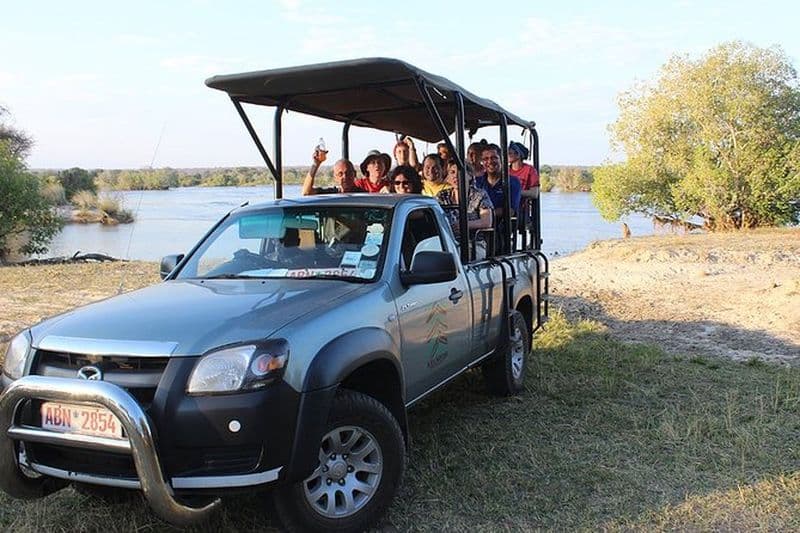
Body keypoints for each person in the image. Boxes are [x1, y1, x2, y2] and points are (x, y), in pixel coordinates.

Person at [475, 144, 522, 220]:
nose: (490, 161)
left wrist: (485, 214)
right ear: (482, 162)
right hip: (479, 224)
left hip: (502, 225)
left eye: (494, 158)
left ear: (501, 160)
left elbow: (511, 211)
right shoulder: (477, 182)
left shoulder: (512, 181)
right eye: (486, 159)